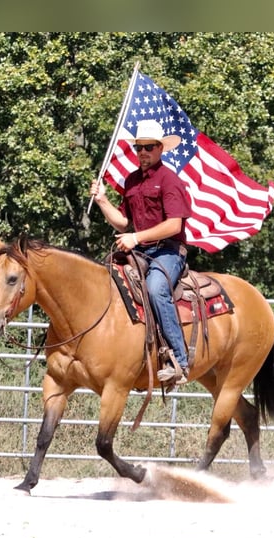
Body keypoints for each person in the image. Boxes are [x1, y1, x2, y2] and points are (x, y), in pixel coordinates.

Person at [90, 119, 192, 388]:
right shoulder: (132, 181)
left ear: (160, 148)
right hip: (140, 251)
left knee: (156, 287)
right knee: (105, 279)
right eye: (139, 147)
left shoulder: (169, 180)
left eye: (148, 147)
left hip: (168, 251)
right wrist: (102, 200)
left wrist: (136, 237)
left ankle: (179, 361)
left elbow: (174, 225)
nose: (143, 152)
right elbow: (123, 222)